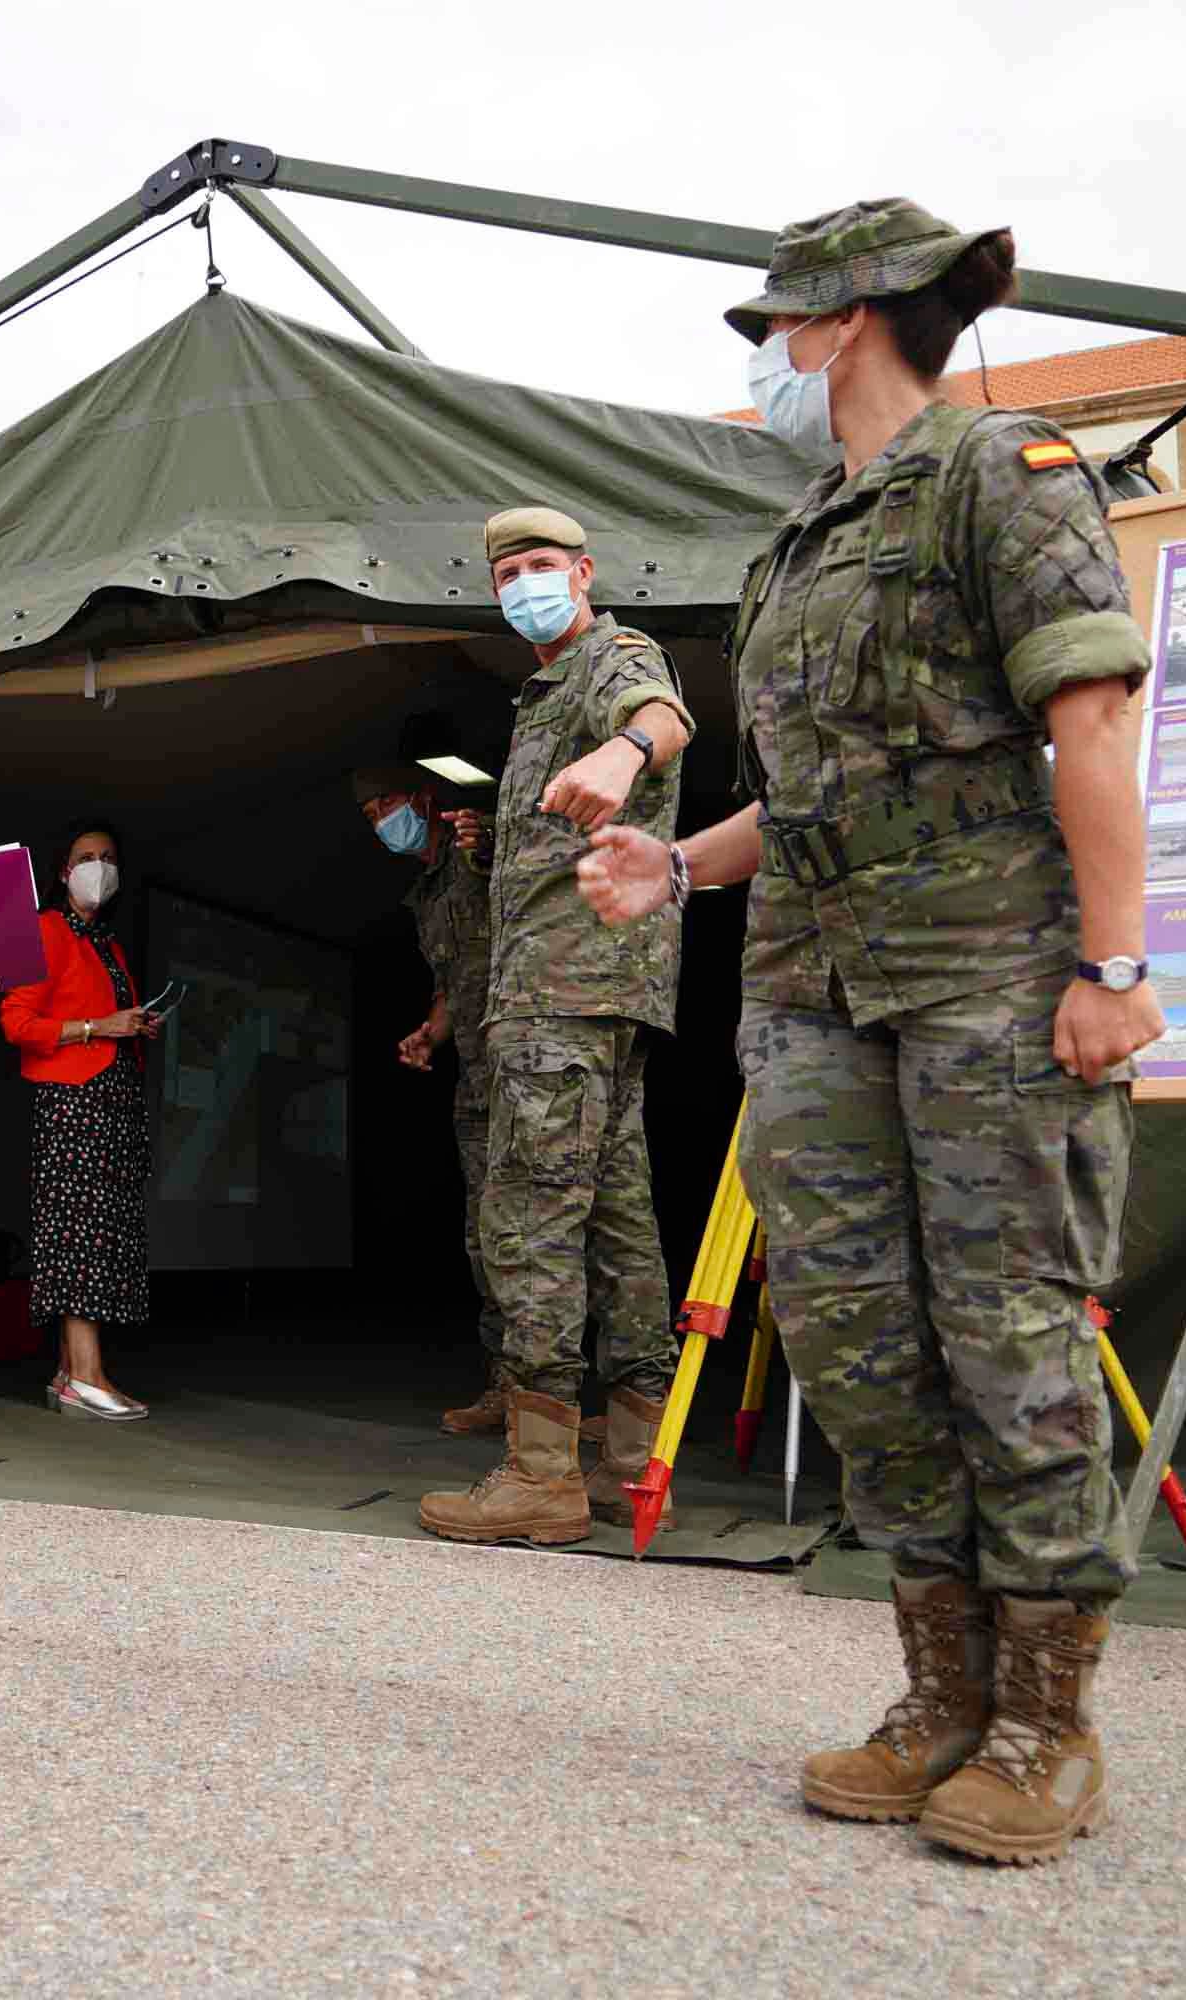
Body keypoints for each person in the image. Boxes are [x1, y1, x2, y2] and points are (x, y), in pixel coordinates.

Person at [577, 198, 1163, 1864]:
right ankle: (941, 1697)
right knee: (856, 1334)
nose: (765, 362)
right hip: (813, 984)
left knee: (1007, 1331)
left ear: (836, 326)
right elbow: (809, 792)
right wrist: (678, 861)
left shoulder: (1005, 474)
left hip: (987, 971)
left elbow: (1091, 720)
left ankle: (1047, 1721)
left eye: (775, 330)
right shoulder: (801, 539)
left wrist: (1114, 967)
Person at [417, 508, 694, 1549]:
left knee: (529, 1219)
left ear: (582, 572)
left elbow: (662, 712)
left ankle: (541, 1475)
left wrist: (625, 751)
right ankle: (637, 1461)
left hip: (566, 999)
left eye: (542, 566)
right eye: (509, 573)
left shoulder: (608, 660)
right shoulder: (540, 696)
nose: (527, 584)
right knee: (620, 1223)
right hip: (598, 996)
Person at [352, 762, 506, 1434]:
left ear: (423, 798)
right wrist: (430, 1033)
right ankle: (511, 1388)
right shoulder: (423, 896)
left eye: (385, 803)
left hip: (533, 1059)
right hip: (477, 1069)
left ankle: (613, 1407)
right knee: (487, 1235)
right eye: (369, 816)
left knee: (555, 1235)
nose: (379, 820)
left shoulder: (480, 847)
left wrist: (492, 840)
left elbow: (538, 875)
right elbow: (455, 981)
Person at [0, 821, 155, 1420]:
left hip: (111, 1103)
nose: (98, 866)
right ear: (63, 873)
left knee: (95, 1235)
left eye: (108, 857)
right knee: (78, 1237)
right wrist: (100, 1027)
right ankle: (87, 1376)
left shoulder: (106, 945)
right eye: (86, 857)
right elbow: (18, 1026)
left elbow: (100, 1016)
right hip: (72, 1105)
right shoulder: (43, 931)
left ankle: (70, 1376)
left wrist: (132, 1025)